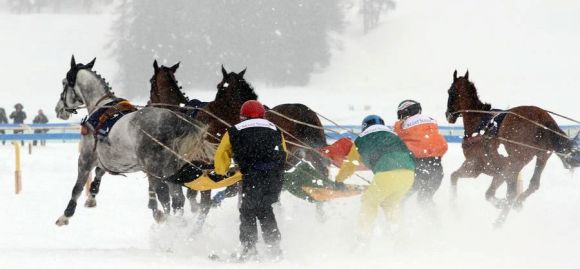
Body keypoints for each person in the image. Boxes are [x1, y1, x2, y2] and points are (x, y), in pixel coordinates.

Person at [212, 100, 287, 261]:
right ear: (262, 114)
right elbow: (284, 153)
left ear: (242, 117)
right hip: (274, 178)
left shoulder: (234, 131)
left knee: (248, 211)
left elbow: (222, 154)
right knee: (265, 210)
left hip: (253, 176)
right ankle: (274, 248)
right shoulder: (275, 129)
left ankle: (249, 249)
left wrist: (220, 172)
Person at [335, 115, 415, 244]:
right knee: (390, 204)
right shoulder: (393, 135)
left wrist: (339, 180)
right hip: (409, 174)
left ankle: (362, 237)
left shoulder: (361, 140)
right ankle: (400, 236)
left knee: (369, 202)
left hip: (386, 173)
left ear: (364, 127)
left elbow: (350, 164)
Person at [393, 100, 448, 205]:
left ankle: (397, 221)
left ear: (405, 112)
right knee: (425, 200)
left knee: (399, 199)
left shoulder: (402, 125)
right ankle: (435, 221)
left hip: (418, 168)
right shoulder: (431, 121)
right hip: (437, 168)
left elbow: (395, 142)